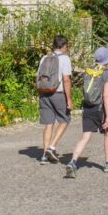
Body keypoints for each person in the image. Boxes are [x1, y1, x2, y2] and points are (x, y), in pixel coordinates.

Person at [65, 47, 108, 177]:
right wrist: (107, 116)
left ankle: (72, 162)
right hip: (101, 108)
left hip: (88, 107)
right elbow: (106, 96)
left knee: (85, 137)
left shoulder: (88, 70)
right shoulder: (107, 73)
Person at [36, 35, 73, 164]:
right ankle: (51, 147)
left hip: (44, 93)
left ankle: (44, 156)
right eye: (66, 46)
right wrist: (69, 99)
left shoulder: (45, 58)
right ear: (63, 46)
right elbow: (66, 80)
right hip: (57, 93)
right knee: (65, 120)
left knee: (48, 123)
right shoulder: (65, 59)